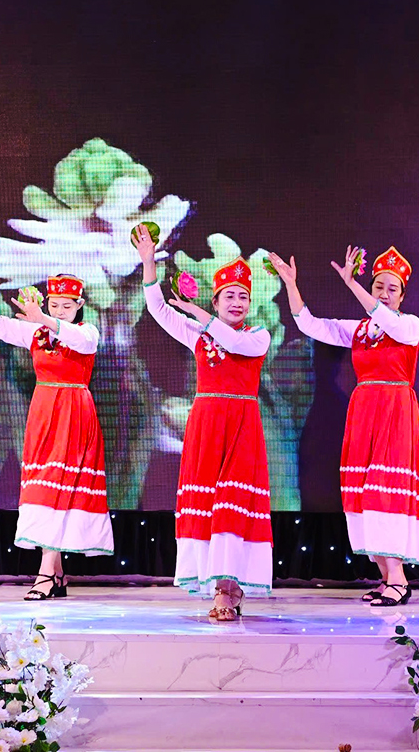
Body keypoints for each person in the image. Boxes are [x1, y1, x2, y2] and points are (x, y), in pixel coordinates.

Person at [269, 246, 419, 607]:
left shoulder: (409, 326)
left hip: (394, 411)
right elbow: (309, 324)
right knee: (362, 494)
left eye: (392, 288)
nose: (384, 293)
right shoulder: (359, 331)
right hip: (364, 412)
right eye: (378, 286)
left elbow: (386, 320)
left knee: (384, 491)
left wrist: (351, 284)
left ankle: (400, 579)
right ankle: (385, 576)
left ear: (403, 294)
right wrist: (291, 284)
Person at [0, 256, 113, 600]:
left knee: (60, 489)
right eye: (54, 305)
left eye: (66, 306)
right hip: (43, 413)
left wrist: (46, 320)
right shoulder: (36, 332)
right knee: (43, 490)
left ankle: (43, 575)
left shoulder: (86, 332)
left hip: (74, 414)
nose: (59, 310)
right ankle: (55, 576)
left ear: (79, 305)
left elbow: (81, 342)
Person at [135, 225, 272, 620]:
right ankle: (219, 585)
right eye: (229, 295)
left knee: (233, 503)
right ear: (216, 300)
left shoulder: (256, 335)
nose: (237, 301)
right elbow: (159, 310)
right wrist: (149, 263)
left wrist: (198, 314)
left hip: (241, 424)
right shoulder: (200, 335)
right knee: (210, 505)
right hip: (207, 424)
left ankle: (229, 589)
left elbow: (235, 344)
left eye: (243, 296)